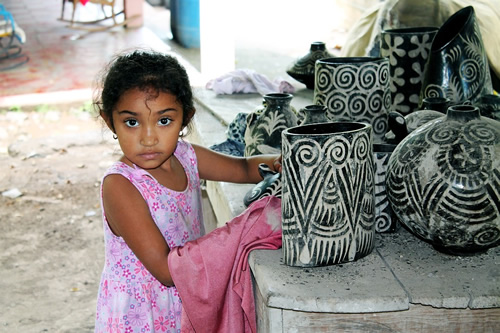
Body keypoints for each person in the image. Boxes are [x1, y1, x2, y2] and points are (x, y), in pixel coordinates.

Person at [93, 49, 282, 333]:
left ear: (185, 118)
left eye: (164, 120)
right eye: (132, 122)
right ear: (110, 122)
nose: (148, 137)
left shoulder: (187, 156)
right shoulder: (121, 185)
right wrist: (239, 233)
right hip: (142, 317)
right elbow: (166, 270)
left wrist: (284, 163)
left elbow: (243, 169)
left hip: (184, 302)